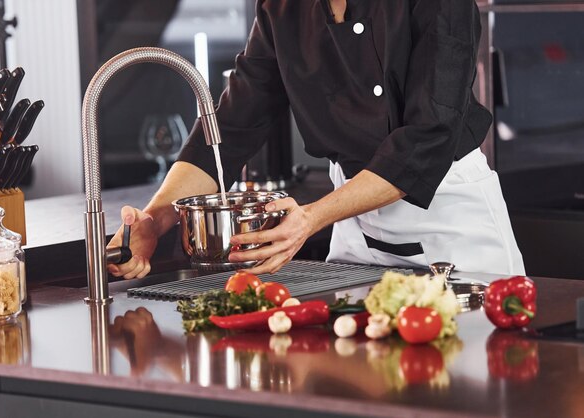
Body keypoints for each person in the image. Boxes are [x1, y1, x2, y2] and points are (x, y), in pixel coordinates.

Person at [107, 0, 525, 280]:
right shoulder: (284, 8)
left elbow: (427, 136)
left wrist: (311, 218)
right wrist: (154, 220)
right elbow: (230, 129)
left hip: (451, 224)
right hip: (356, 236)